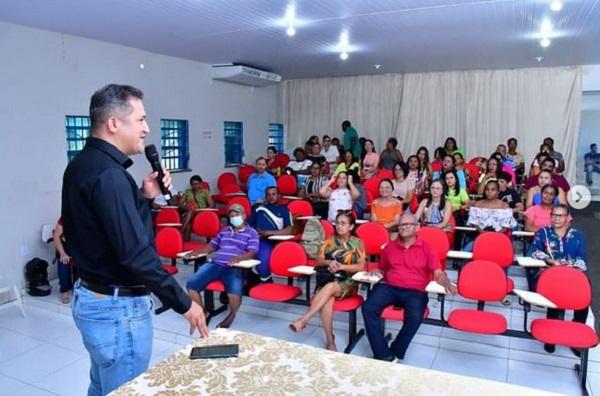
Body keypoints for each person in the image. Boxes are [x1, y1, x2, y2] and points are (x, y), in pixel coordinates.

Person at [61, 84, 208, 395]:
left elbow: (106, 231)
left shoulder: (81, 165)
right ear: (114, 123)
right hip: (117, 310)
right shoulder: (110, 176)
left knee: (102, 386)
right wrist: (184, 303)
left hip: (91, 296)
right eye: (140, 119)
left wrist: (143, 197)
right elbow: (135, 253)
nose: (147, 129)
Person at [362, 213, 456, 362]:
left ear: (417, 227)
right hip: (390, 287)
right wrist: (377, 271)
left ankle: (396, 350)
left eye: (407, 224)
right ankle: (383, 354)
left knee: (415, 317)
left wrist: (447, 283)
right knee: (368, 308)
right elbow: (383, 268)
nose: (403, 228)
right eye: (401, 225)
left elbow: (438, 273)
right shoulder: (390, 247)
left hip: (415, 291)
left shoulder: (426, 248)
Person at [289, 211, 366, 351]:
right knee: (327, 301)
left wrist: (342, 266)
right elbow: (318, 259)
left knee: (330, 288)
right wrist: (329, 262)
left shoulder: (357, 243)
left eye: (343, 224)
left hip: (348, 281)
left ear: (351, 227)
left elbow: (361, 266)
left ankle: (305, 318)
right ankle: (331, 341)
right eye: (337, 223)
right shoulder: (329, 240)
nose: (339, 226)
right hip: (328, 277)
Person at [185, 203, 259, 329]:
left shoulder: (251, 233)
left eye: (237, 215)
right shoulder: (224, 230)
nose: (234, 217)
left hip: (235, 266)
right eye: (232, 215)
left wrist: (238, 258)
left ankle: (231, 316)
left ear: (244, 216)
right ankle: (204, 312)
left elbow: (252, 252)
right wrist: (197, 251)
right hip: (216, 264)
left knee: (234, 293)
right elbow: (211, 247)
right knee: (191, 285)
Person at [531, 204, 587, 355]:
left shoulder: (577, 235)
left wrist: (567, 266)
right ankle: (551, 337)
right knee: (555, 297)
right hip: (551, 273)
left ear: (568, 218)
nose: (556, 218)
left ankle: (576, 340)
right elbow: (534, 251)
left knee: (583, 300)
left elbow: (582, 259)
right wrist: (549, 260)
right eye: (554, 215)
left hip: (572, 273)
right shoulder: (544, 232)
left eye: (560, 215)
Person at [247, 187, 293, 283]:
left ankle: (267, 283)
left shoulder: (284, 210)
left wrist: (268, 233)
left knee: (262, 262)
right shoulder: (259, 209)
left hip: (271, 240)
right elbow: (247, 224)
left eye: (274, 194)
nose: (271, 197)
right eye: (268, 195)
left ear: (279, 196)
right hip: (254, 239)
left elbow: (289, 230)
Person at [179, 175, 214, 241]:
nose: (195, 186)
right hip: (189, 212)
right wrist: (187, 207)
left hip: (201, 213)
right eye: (193, 184)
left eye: (196, 184)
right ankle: (187, 244)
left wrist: (204, 212)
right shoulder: (187, 191)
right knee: (188, 225)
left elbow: (211, 205)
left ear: (201, 183)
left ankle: (181, 231)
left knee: (192, 208)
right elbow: (180, 203)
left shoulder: (205, 191)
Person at [52, 218, 78, 304]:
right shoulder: (65, 218)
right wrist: (62, 253)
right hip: (65, 250)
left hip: (79, 251)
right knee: (63, 269)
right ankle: (64, 291)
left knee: (80, 274)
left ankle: (77, 289)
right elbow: (56, 235)